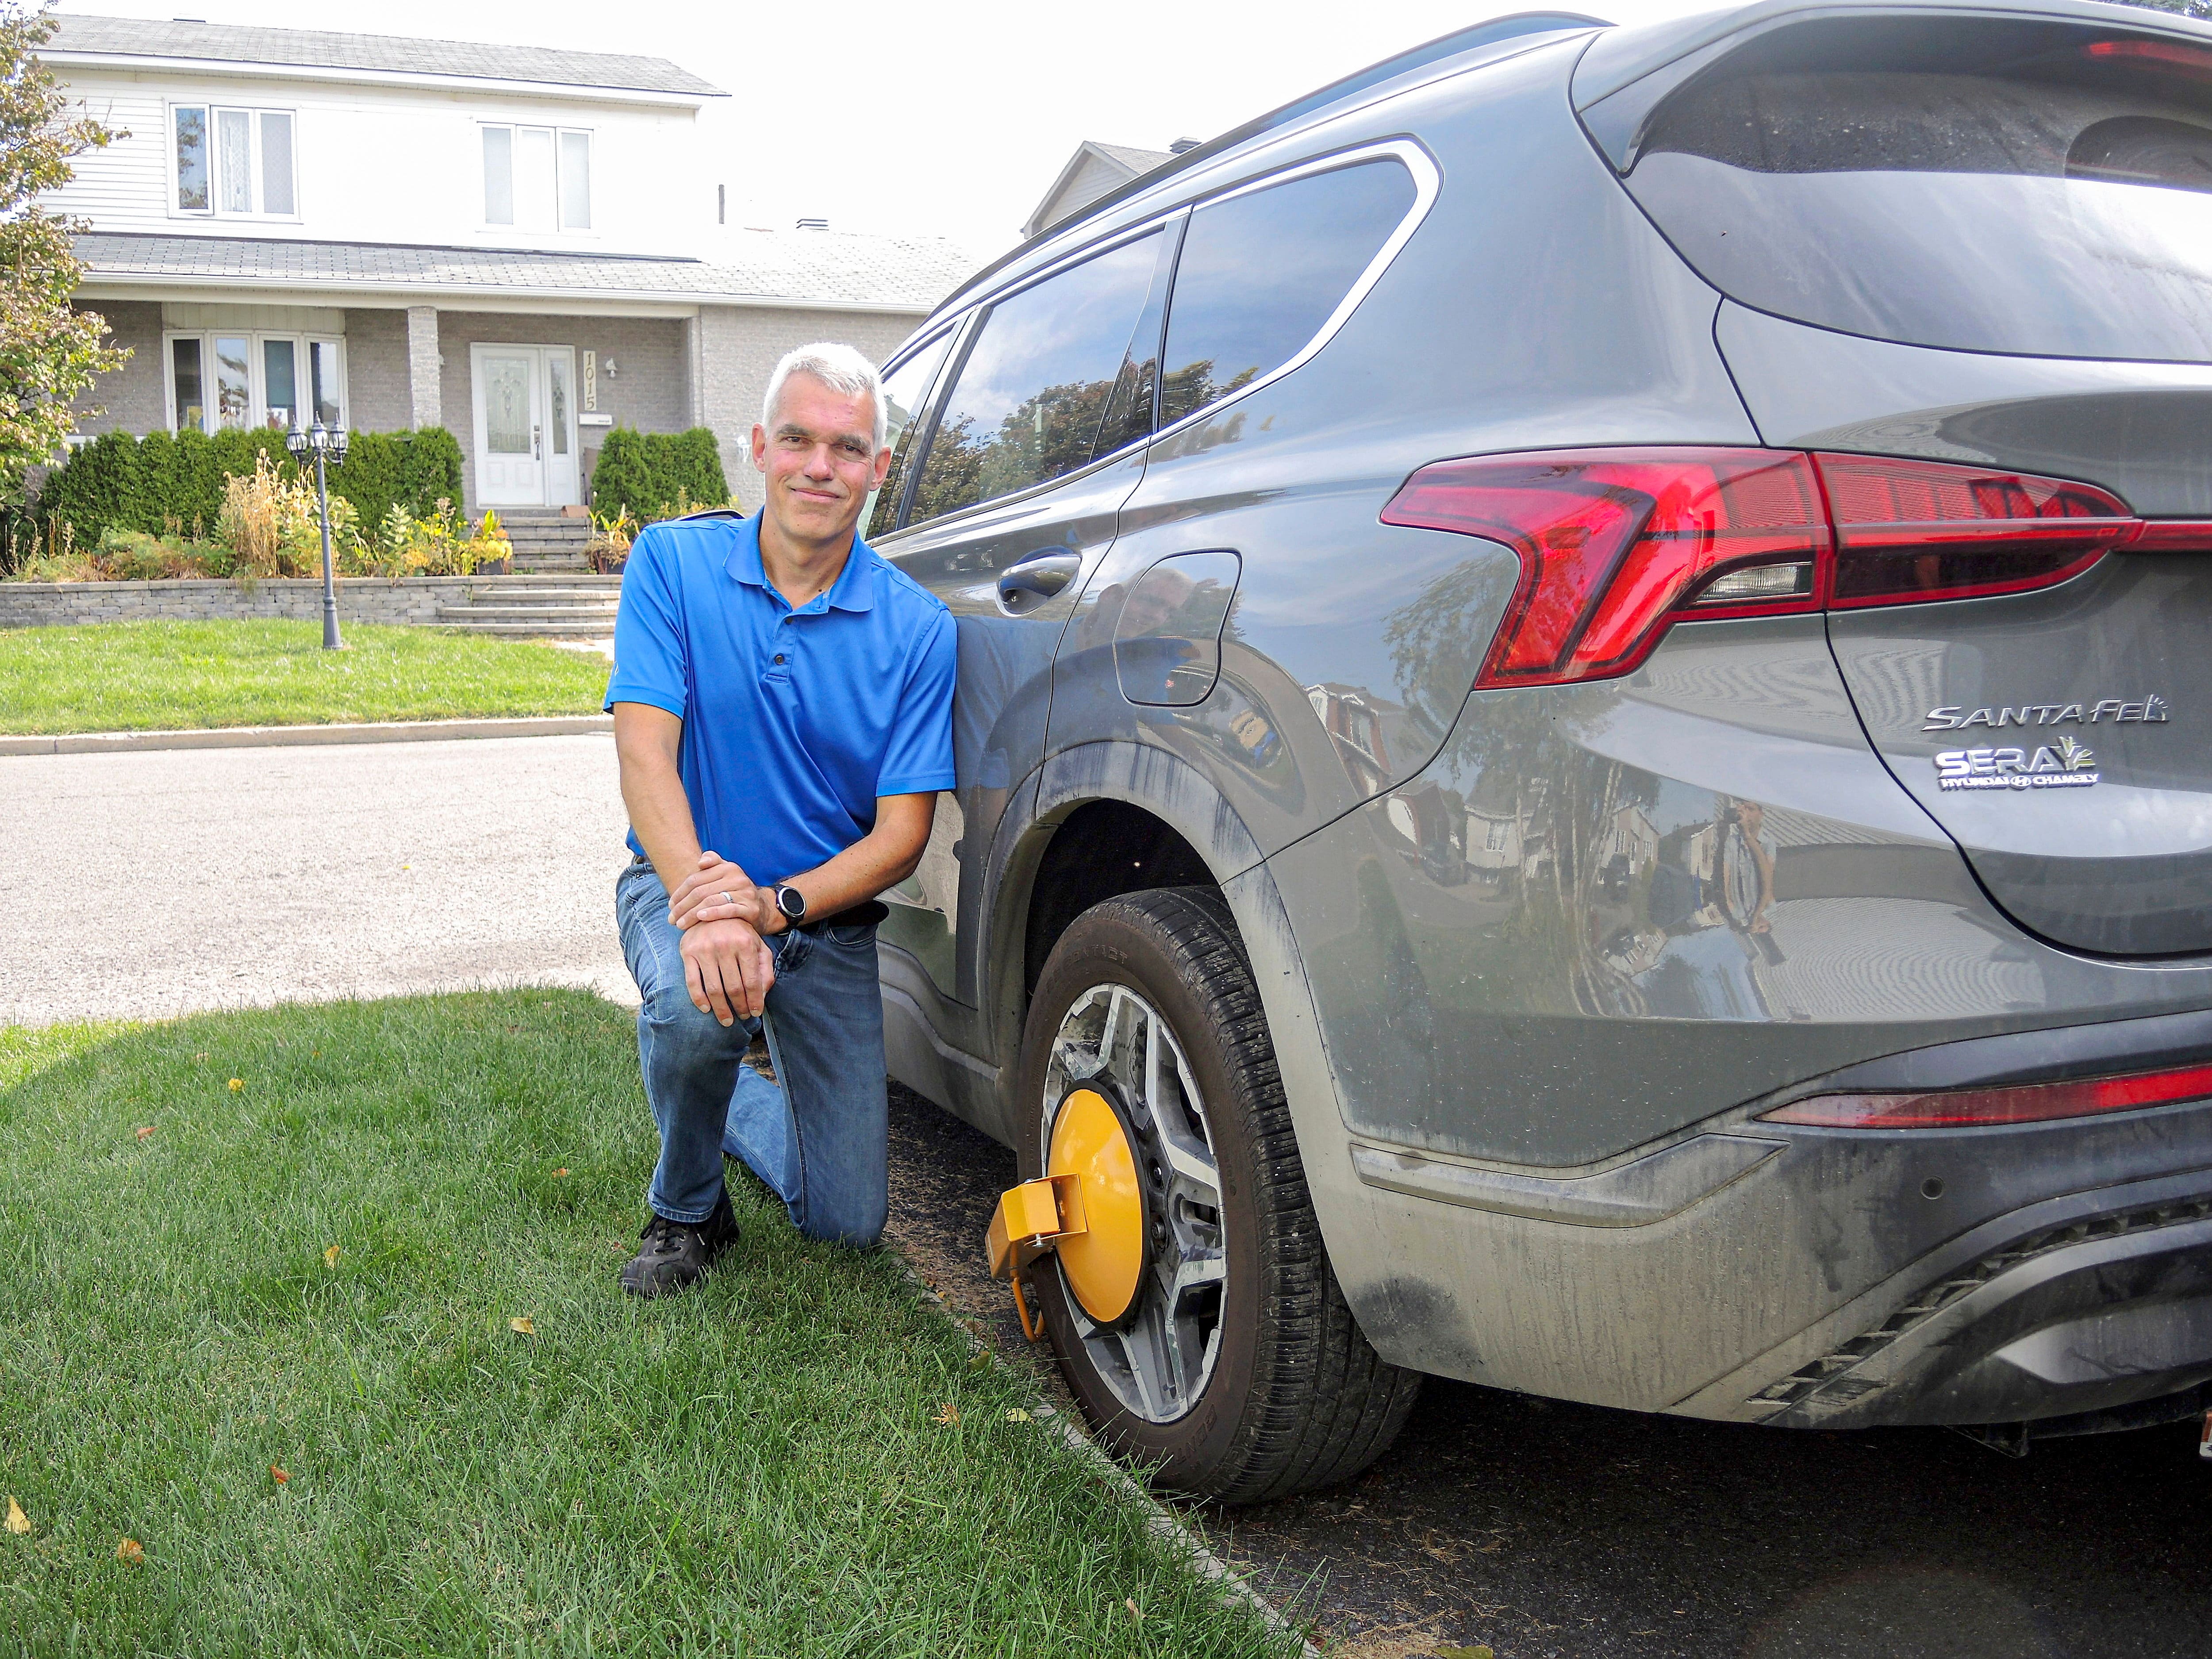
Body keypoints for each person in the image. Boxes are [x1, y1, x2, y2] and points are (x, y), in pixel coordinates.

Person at [604, 342, 955, 1298]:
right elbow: (645, 758)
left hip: (819, 923)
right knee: (694, 1003)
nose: (819, 467)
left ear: (877, 470)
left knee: (845, 1223)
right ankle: (685, 1210)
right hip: (679, 888)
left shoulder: (918, 629)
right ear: (759, 446)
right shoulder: (672, 564)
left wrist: (770, 909)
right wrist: (709, 904)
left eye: (847, 450)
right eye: (797, 439)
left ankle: (712, 1103)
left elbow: (900, 838)